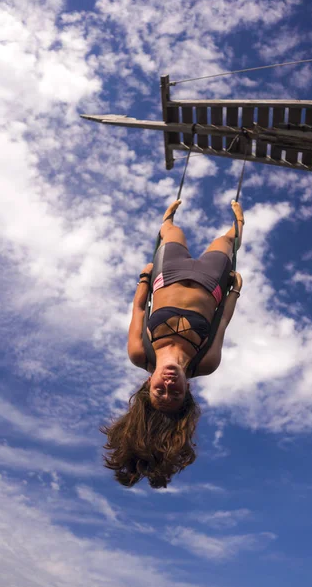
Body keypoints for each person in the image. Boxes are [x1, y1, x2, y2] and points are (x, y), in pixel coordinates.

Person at [101, 199, 244, 489]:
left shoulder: (140, 352)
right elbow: (222, 323)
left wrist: (143, 278)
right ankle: (239, 220)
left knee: (172, 231)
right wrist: (235, 292)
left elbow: (139, 311)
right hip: (211, 281)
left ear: (147, 384)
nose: (168, 385)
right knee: (228, 238)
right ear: (187, 391)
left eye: (159, 391)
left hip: (168, 273)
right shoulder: (205, 362)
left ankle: (168, 216)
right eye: (174, 394)